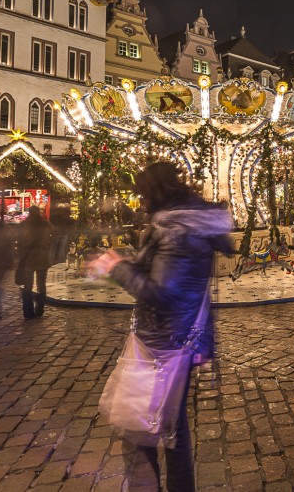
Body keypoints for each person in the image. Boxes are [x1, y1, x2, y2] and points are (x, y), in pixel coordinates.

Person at [89, 162, 234, 492]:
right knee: (171, 426)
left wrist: (118, 267)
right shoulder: (187, 226)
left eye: (142, 195)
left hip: (162, 342)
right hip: (178, 337)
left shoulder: (176, 232)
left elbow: (162, 292)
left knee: (139, 428)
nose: (140, 203)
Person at [16, 206, 53, 319]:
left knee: (27, 287)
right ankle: (39, 309)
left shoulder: (23, 225)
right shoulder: (46, 225)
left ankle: (28, 311)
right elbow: (51, 239)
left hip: (28, 259)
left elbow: (20, 241)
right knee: (41, 285)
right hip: (42, 259)